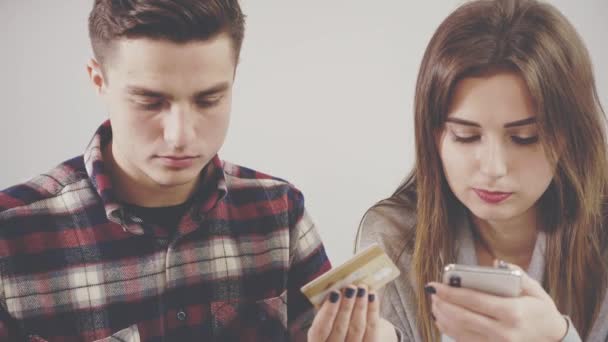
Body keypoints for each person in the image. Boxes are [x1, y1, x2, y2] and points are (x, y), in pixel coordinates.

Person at [0, 1, 338, 340]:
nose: (180, 136)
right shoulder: (10, 234)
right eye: (149, 101)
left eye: (208, 100)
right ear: (98, 80)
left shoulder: (280, 210)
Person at [356, 0, 608, 341]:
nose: (493, 168)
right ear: (434, 135)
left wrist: (558, 337)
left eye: (524, 138)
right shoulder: (396, 237)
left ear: (568, 137)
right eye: (466, 136)